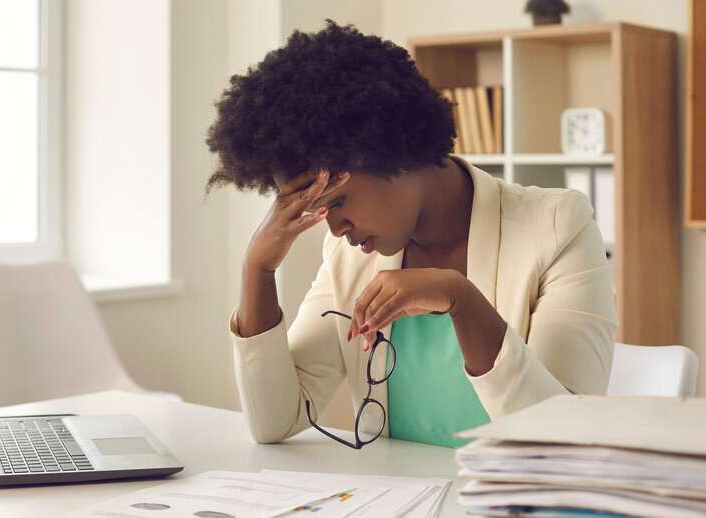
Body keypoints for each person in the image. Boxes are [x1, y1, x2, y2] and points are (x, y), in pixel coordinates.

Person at [205, 21, 616, 448]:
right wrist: (258, 267)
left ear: (394, 152)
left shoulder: (558, 227)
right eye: (317, 209)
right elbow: (275, 421)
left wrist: (461, 299)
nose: (334, 227)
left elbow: (564, 439)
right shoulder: (350, 256)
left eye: (339, 200)